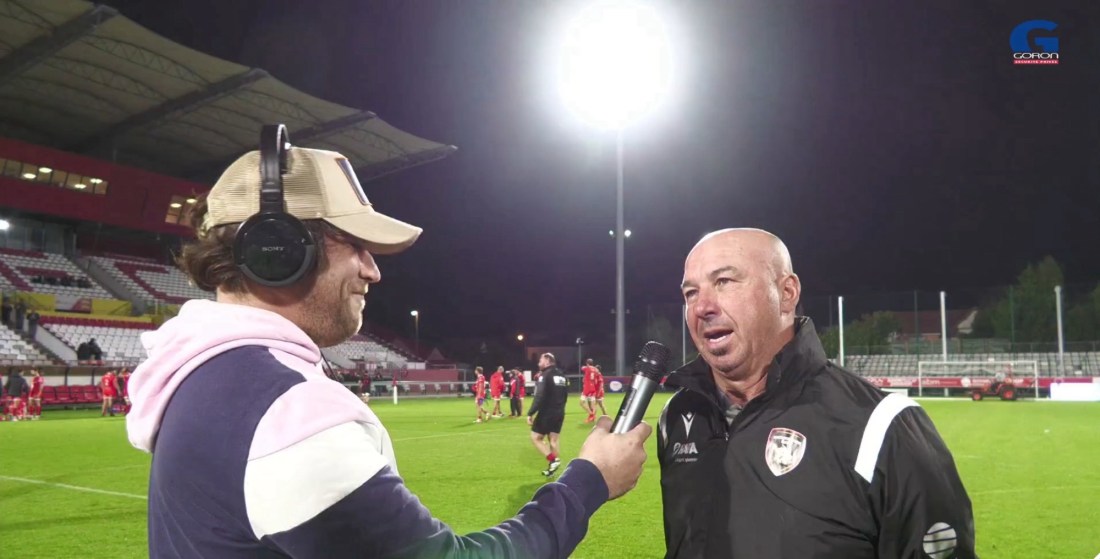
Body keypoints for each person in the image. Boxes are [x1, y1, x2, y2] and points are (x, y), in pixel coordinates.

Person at [124, 137, 652, 558]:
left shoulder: (199, 375)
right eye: (355, 245)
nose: (373, 270)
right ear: (277, 251)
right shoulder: (285, 412)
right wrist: (589, 481)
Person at [658, 228, 975, 558]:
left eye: (724, 281)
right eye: (690, 293)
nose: (701, 307)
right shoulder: (679, 416)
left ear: (786, 293)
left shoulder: (882, 424)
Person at [528, 352, 569, 477]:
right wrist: (560, 408)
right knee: (554, 441)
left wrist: (531, 413)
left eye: (540, 360)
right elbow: (565, 395)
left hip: (547, 413)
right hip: (559, 412)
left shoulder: (545, 375)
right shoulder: (562, 375)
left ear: (547, 361)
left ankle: (553, 460)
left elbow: (539, 396)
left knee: (535, 437)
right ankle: (552, 469)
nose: (538, 363)